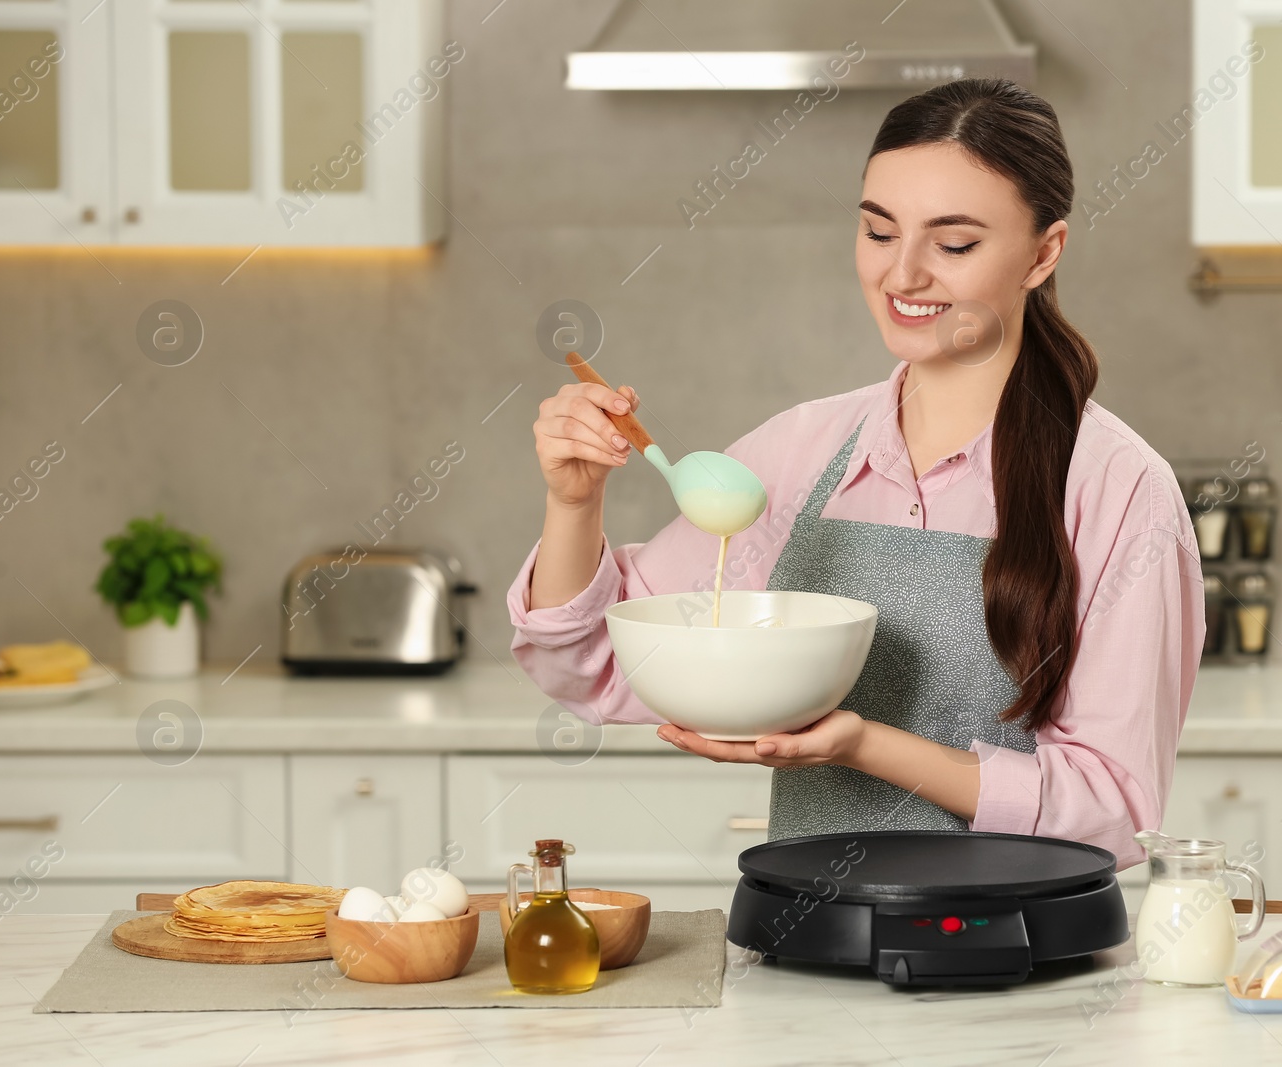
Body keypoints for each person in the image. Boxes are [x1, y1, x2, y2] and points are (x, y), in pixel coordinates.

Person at [507, 78, 1204, 864]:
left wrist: (866, 746)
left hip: (1022, 962)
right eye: (879, 232)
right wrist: (574, 503)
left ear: (1043, 254)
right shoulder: (799, 453)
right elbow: (597, 665)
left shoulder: (1118, 487)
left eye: (954, 244)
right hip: (805, 946)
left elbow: (1115, 811)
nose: (903, 276)